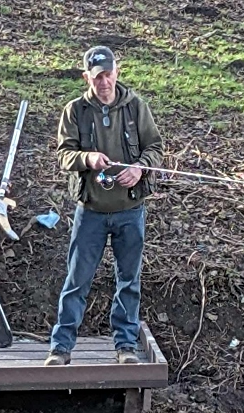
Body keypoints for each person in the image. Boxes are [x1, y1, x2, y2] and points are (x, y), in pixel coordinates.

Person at [44, 46, 164, 366]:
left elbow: (155, 147)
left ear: (117, 72)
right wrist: (88, 158)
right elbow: (63, 155)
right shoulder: (74, 111)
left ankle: (125, 346)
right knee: (77, 280)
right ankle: (61, 348)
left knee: (129, 280)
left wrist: (139, 168)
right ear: (87, 77)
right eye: (97, 77)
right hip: (91, 212)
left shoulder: (137, 106)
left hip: (130, 210)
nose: (104, 82)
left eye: (108, 74)